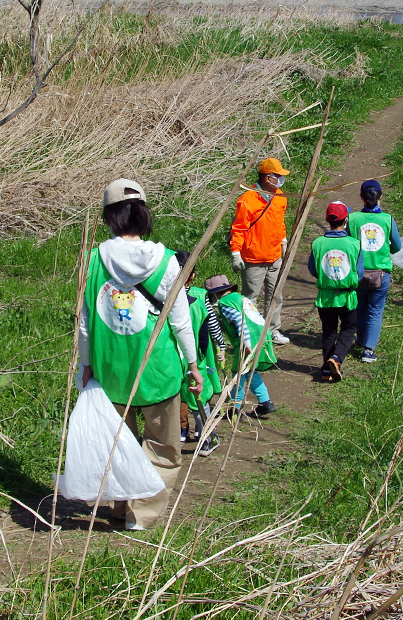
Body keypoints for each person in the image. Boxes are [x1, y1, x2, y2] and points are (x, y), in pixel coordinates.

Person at [79, 179, 202, 531]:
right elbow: (180, 322)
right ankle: (142, 514)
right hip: (158, 369)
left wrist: (86, 365)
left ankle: (120, 507)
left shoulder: (92, 261)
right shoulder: (166, 262)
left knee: (118, 442)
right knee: (162, 445)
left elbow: (85, 322)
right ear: (144, 214)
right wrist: (193, 366)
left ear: (107, 218)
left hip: (109, 368)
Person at [229, 158, 290, 347]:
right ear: (267, 178)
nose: (280, 179)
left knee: (275, 296)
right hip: (254, 259)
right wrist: (235, 253)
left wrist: (283, 240)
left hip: (274, 256)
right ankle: (249, 333)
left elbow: (279, 222)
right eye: (277, 176)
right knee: (250, 299)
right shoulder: (247, 200)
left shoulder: (280, 197)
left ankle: (273, 330)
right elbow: (238, 229)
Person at [204, 275, 277, 418]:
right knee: (247, 372)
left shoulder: (225, 303)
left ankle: (236, 408)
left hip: (249, 340)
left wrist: (247, 345)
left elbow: (239, 321)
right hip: (261, 335)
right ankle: (264, 403)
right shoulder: (240, 298)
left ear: (214, 293)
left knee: (237, 374)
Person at [173, 251, 223, 457]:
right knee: (198, 399)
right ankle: (206, 436)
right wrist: (220, 346)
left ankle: (201, 436)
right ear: (192, 276)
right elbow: (212, 327)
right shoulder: (199, 301)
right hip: (195, 359)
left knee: (183, 400)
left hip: (173, 359)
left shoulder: (163, 302)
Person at [347, 179, 402, 363]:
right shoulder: (388, 219)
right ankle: (369, 350)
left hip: (359, 271)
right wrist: (388, 251)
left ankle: (360, 339)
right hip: (381, 273)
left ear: (361, 197)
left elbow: (348, 244)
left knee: (360, 306)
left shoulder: (353, 218)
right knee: (375, 310)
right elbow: (397, 246)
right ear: (380, 197)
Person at [310, 201, 362, 383]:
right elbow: (360, 272)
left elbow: (313, 269)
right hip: (346, 296)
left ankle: (326, 369)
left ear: (327, 220)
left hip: (325, 296)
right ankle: (337, 358)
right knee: (349, 328)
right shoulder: (354, 244)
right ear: (345, 220)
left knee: (328, 330)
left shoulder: (317, 243)